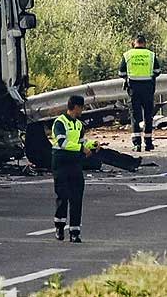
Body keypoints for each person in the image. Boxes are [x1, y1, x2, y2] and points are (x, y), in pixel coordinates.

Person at [52, 95, 98, 242]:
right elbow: (62, 143)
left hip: (75, 164)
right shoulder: (60, 122)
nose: (82, 110)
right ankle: (59, 226)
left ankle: (75, 232)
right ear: (76, 107)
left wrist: (92, 145)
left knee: (77, 198)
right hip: (61, 162)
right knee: (63, 196)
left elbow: (81, 142)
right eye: (82, 107)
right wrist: (81, 148)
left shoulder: (79, 125)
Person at [119, 35, 161, 152]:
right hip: (148, 89)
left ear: (134, 43)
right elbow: (157, 71)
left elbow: (121, 72)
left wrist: (130, 76)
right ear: (145, 43)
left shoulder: (127, 55)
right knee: (148, 115)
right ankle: (148, 143)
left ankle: (137, 144)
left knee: (135, 116)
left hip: (133, 89)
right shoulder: (151, 55)